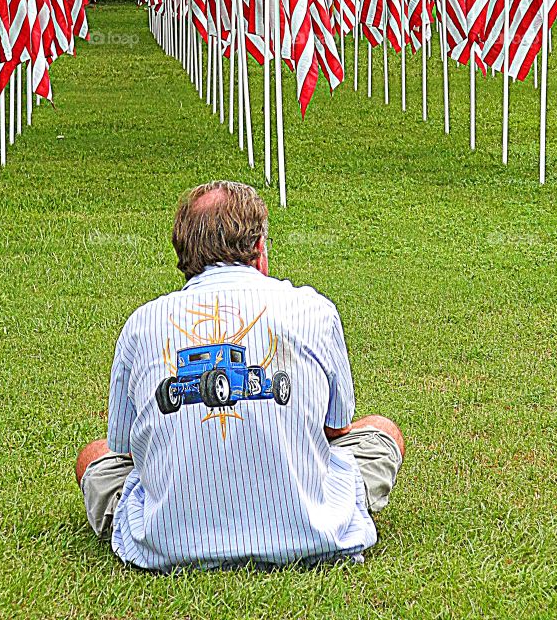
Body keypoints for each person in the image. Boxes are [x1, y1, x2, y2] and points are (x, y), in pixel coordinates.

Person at [76, 180, 404, 570]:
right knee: (382, 430)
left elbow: (124, 449)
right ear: (259, 249)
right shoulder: (313, 309)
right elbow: (335, 430)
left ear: (184, 253)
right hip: (311, 536)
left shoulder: (141, 324)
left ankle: (176, 524)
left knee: (93, 457)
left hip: (170, 545)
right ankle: (304, 513)